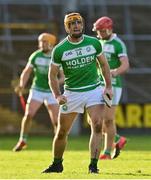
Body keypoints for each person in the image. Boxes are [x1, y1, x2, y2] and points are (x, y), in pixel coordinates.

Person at [42, 12, 113, 174]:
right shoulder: (60, 49)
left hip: (94, 90)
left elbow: (104, 65)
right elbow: (52, 75)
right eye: (72, 24)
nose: (76, 26)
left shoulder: (94, 43)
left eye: (78, 23)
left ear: (82, 25)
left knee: (97, 124)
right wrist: (57, 95)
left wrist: (108, 86)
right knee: (61, 132)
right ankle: (57, 164)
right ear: (67, 27)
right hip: (72, 93)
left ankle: (93, 166)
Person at [13, 33, 64, 152]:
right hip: (37, 90)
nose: (42, 44)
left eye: (45, 42)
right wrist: (21, 85)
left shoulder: (56, 57)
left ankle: (58, 144)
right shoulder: (35, 55)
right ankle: (23, 140)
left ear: (51, 44)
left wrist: (56, 82)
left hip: (52, 91)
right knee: (28, 115)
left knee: (57, 122)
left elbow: (63, 77)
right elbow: (26, 72)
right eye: (41, 42)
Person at [92, 16, 129, 159]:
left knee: (108, 119)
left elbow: (125, 65)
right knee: (93, 119)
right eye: (98, 31)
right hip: (97, 84)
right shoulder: (98, 43)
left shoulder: (117, 44)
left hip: (113, 86)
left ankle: (107, 152)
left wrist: (115, 72)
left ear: (109, 29)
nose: (99, 33)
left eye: (101, 31)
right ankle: (118, 139)